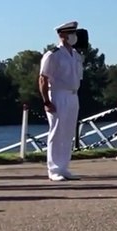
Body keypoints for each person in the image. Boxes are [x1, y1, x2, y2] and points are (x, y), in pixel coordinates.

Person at [39, 21, 84, 181]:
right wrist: (46, 100)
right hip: (58, 94)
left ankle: (64, 167)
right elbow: (43, 78)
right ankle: (54, 169)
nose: (74, 36)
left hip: (73, 95)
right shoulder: (53, 54)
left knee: (68, 132)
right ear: (62, 35)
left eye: (74, 33)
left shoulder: (76, 55)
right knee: (57, 132)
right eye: (71, 33)